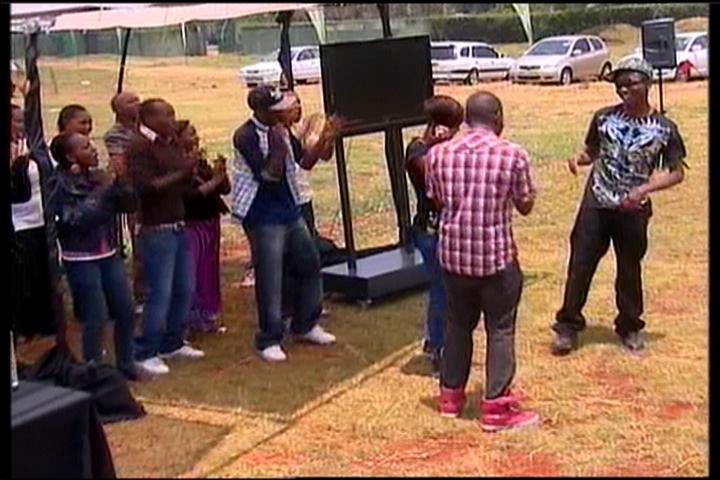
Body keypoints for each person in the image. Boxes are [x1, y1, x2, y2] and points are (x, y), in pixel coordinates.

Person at [551, 57, 687, 356]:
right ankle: (568, 326)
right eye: (619, 84)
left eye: (630, 83)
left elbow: (677, 173)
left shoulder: (664, 128)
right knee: (580, 264)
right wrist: (578, 159)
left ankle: (629, 326)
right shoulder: (603, 118)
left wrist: (644, 190)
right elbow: (592, 150)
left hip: (632, 208)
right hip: (596, 203)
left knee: (629, 268)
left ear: (647, 84)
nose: (623, 89)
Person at [425, 91, 539, 432]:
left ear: (466, 119)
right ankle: (496, 409)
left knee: (457, 325)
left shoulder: (438, 154)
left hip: (453, 257)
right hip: (495, 258)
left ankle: (450, 397)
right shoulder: (513, 154)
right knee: (500, 329)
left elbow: (437, 198)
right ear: (498, 117)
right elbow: (525, 205)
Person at [230, 86, 336, 362]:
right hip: (262, 215)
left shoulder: (283, 131)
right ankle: (269, 338)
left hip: (290, 209)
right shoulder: (246, 135)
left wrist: (326, 136)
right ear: (264, 112)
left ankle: (305, 324)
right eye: (281, 109)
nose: (288, 112)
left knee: (310, 264)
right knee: (270, 276)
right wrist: (277, 144)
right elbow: (268, 175)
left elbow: (305, 162)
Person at [48, 132, 138, 380]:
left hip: (108, 253)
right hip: (81, 259)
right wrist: (105, 189)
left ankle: (126, 364)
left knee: (125, 310)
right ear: (70, 156)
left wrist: (121, 181)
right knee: (95, 317)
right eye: (86, 147)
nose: (94, 150)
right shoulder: (58, 183)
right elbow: (75, 220)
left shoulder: (96, 178)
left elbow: (129, 205)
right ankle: (93, 371)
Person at [127, 98, 204, 376]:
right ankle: (145, 351)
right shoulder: (139, 146)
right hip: (156, 229)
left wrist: (190, 168)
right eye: (167, 115)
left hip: (178, 224)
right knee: (159, 292)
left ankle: (173, 342)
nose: (172, 120)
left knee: (184, 287)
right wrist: (182, 171)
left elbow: (179, 182)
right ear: (148, 118)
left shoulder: (169, 143)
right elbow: (147, 187)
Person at [11, 28, 65, 344]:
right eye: (15, 121)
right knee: (23, 279)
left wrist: (32, 59)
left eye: (22, 121)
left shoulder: (33, 146)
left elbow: (34, 110)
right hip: (18, 227)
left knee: (44, 275)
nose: (21, 126)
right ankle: (21, 328)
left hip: (41, 222)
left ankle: (44, 323)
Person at [405, 95, 463, 377]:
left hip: (448, 230)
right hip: (430, 230)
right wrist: (440, 147)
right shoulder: (418, 150)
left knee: (443, 289)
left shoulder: (446, 150)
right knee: (443, 291)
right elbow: (433, 179)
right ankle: (440, 349)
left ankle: (434, 341)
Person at [176, 120, 231, 334]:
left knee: (209, 269)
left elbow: (224, 189)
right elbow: (190, 196)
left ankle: (208, 314)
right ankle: (189, 317)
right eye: (190, 133)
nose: (196, 137)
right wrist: (215, 181)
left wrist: (220, 174)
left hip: (210, 220)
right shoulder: (176, 166)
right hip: (192, 223)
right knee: (193, 271)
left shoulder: (201, 162)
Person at [103, 91, 145, 313]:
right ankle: (141, 296)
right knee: (141, 245)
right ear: (117, 109)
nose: (137, 103)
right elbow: (121, 167)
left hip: (154, 193)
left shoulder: (145, 127)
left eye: (137, 99)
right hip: (134, 195)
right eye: (130, 101)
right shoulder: (116, 135)